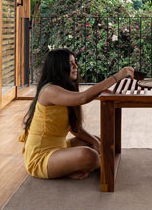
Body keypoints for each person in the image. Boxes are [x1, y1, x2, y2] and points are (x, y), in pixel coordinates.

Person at [20, 48, 133, 179]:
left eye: (75, 62)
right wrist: (117, 77)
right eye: (70, 63)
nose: (75, 66)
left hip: (60, 147)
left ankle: (73, 168)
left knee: (98, 140)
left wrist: (95, 143)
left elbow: (75, 129)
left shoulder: (62, 89)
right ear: (59, 67)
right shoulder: (49, 91)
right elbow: (83, 97)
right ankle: (90, 164)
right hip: (41, 158)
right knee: (88, 155)